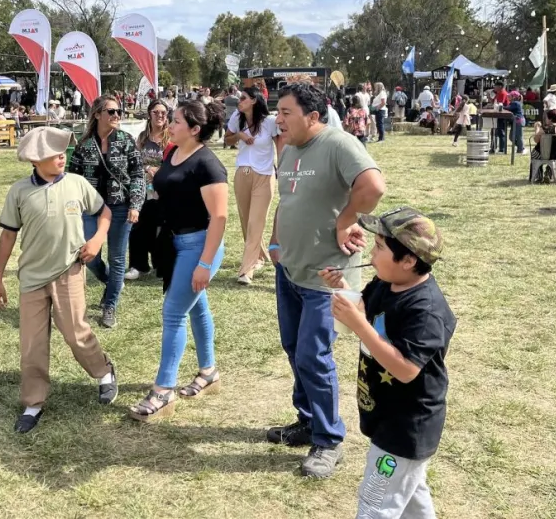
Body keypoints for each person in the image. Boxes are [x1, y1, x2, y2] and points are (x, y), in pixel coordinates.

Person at [266, 81, 385, 479]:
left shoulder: (338, 144)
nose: (278, 119)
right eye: (277, 112)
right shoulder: (289, 149)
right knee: (293, 348)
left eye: (285, 112)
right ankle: (308, 422)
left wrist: (346, 219)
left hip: (327, 275)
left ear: (312, 116)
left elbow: (373, 186)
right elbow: (288, 199)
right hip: (291, 269)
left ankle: (329, 440)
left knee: (313, 356)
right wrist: (276, 240)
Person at [321, 207, 455, 518]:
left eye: (380, 247)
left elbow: (407, 370)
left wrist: (359, 325)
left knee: (375, 504)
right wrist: (342, 289)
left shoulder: (426, 311)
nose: (372, 251)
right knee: (410, 496)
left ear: (408, 260)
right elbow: (367, 310)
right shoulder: (386, 282)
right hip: (386, 415)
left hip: (406, 428)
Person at [0, 127, 118, 433]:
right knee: (32, 344)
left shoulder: (76, 184)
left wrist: (98, 239)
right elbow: (8, 235)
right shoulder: (19, 192)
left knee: (76, 332)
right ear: (36, 160)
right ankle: (33, 402)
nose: (62, 156)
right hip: (32, 278)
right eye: (53, 153)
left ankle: (103, 373)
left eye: (63, 151)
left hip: (69, 271)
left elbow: (104, 213)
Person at [128, 99, 228, 422]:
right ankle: (209, 372)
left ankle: (163, 390)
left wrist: (205, 263)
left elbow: (220, 218)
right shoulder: (172, 152)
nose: (170, 125)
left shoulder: (210, 165)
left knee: (173, 312)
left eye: (177, 121)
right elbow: (170, 181)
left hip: (199, 246)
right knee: (196, 307)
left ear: (195, 130)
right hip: (175, 243)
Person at [68, 94, 145, 328]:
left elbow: (137, 174)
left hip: (120, 207)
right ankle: (114, 281)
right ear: (98, 114)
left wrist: (135, 204)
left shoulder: (126, 140)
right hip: (91, 208)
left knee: (118, 258)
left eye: (118, 111)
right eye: (111, 111)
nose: (116, 116)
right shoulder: (84, 145)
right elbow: (73, 178)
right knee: (89, 256)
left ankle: (110, 305)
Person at [224, 87, 280, 285]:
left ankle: (246, 270)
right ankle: (259, 256)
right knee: (246, 221)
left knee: (256, 222)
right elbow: (226, 139)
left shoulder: (270, 122)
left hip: (265, 176)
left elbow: (280, 146)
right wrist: (239, 136)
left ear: (255, 100)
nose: (240, 101)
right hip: (242, 174)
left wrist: (282, 168)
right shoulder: (236, 118)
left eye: (244, 98)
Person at [127, 99, 170, 281]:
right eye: (156, 112)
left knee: (161, 228)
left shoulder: (171, 137)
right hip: (143, 187)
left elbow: (176, 160)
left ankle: (161, 264)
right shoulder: (142, 138)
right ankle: (138, 265)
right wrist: (147, 169)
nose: (160, 116)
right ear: (149, 114)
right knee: (139, 226)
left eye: (163, 113)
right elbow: (135, 160)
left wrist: (160, 171)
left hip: (164, 189)